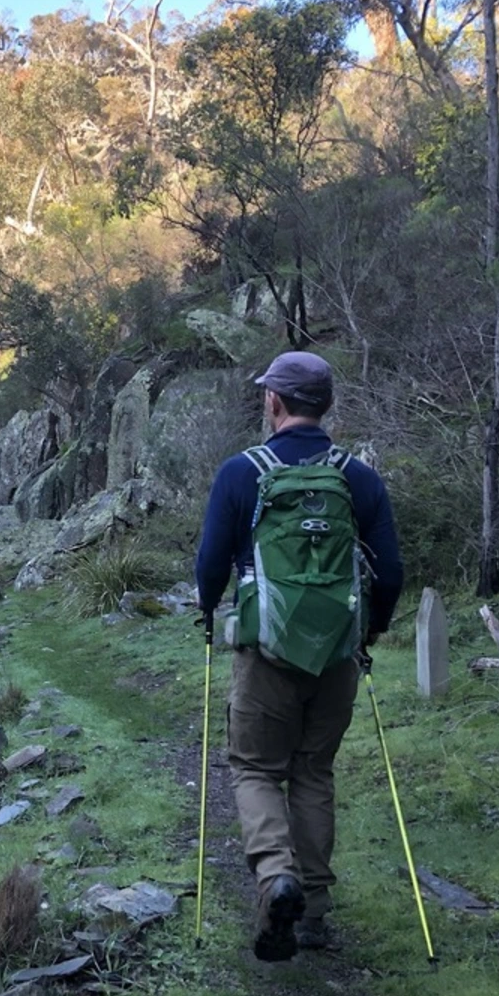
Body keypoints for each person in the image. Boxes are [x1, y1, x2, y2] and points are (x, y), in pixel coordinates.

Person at [195, 351, 403, 962]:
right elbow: (389, 570)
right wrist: (370, 632)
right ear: (326, 405)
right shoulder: (358, 478)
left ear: (275, 403)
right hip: (337, 654)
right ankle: (311, 912)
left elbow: (210, 562)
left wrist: (208, 612)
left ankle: (275, 877)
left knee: (256, 768)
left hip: (265, 652)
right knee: (313, 771)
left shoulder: (242, 472)